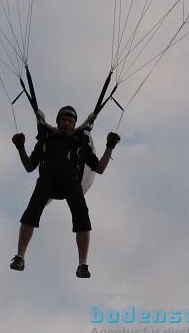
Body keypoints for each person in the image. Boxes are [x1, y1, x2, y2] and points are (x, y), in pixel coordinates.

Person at [9, 105, 120, 278]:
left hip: (71, 183)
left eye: (70, 121)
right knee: (31, 211)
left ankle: (82, 264)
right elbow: (29, 166)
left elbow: (99, 168)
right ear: (58, 122)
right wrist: (20, 148)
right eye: (63, 120)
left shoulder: (80, 142)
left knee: (82, 215)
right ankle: (20, 257)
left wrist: (110, 146)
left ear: (74, 123)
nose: (66, 123)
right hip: (48, 181)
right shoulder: (47, 139)